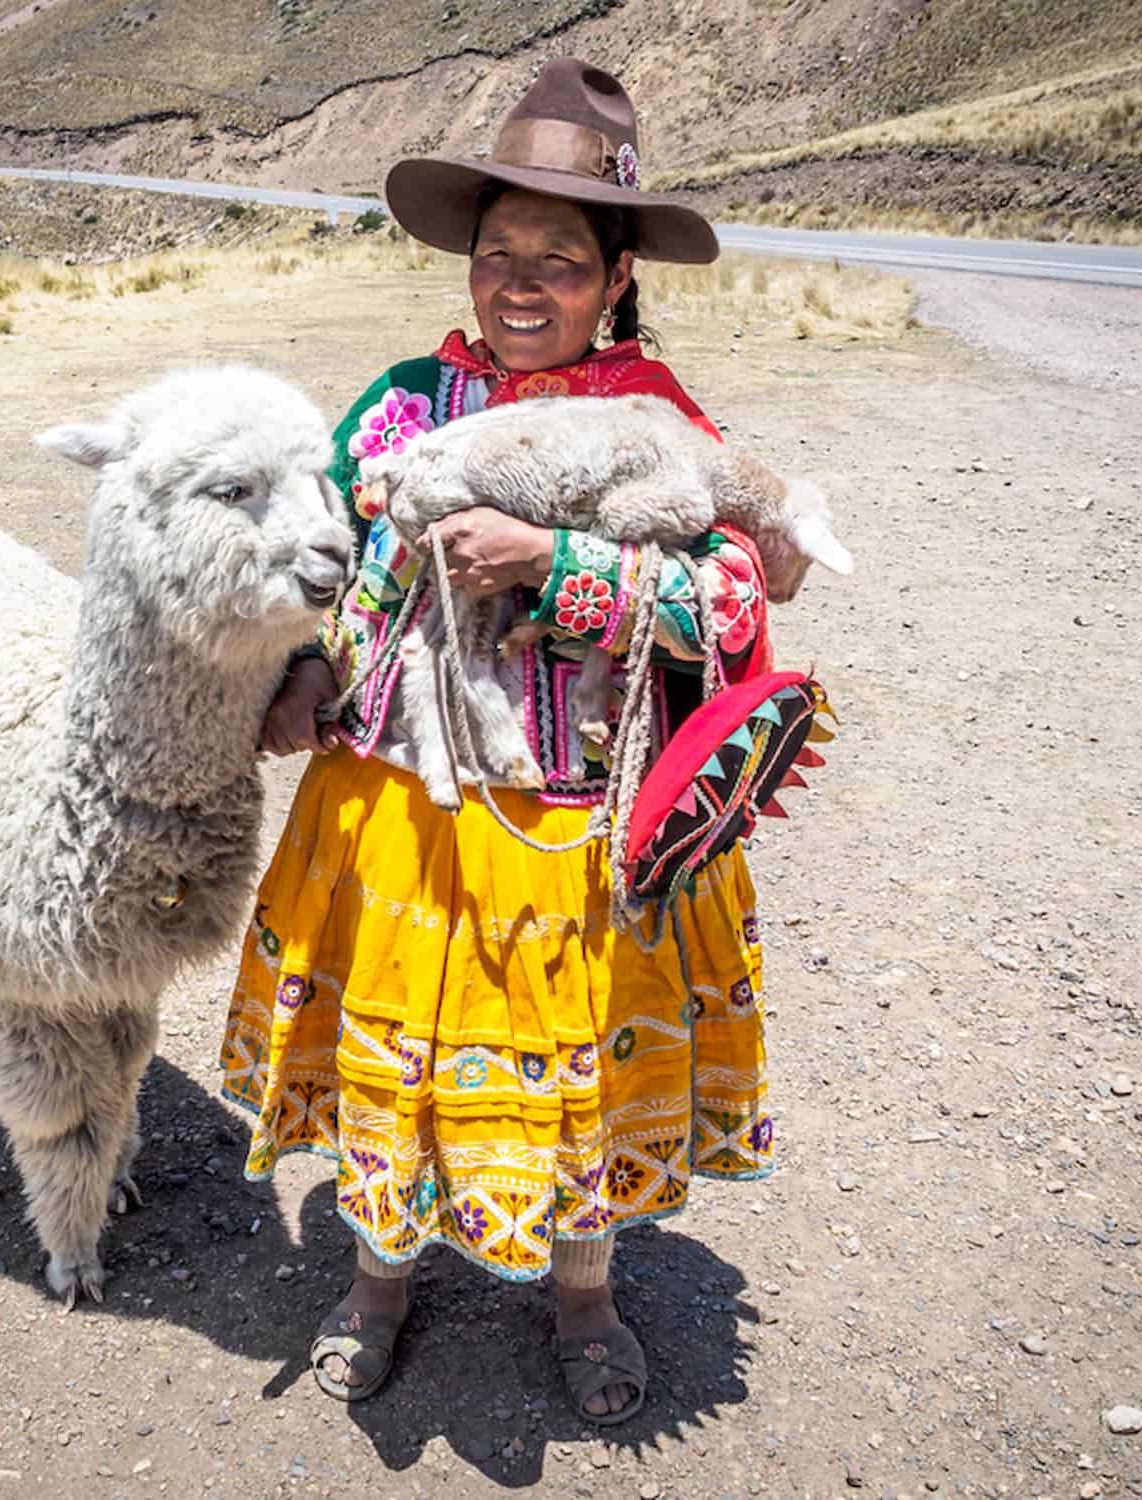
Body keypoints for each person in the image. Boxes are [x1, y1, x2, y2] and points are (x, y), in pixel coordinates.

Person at [219, 58, 786, 1425]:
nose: (520, 283)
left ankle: (583, 1293)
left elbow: (736, 597)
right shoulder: (406, 403)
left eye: (559, 259)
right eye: (498, 254)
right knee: (399, 1059)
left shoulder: (658, 423)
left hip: (581, 827)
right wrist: (296, 670)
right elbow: (324, 560)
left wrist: (560, 565)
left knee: (579, 1070)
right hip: (398, 817)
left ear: (615, 280)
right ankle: (376, 1284)